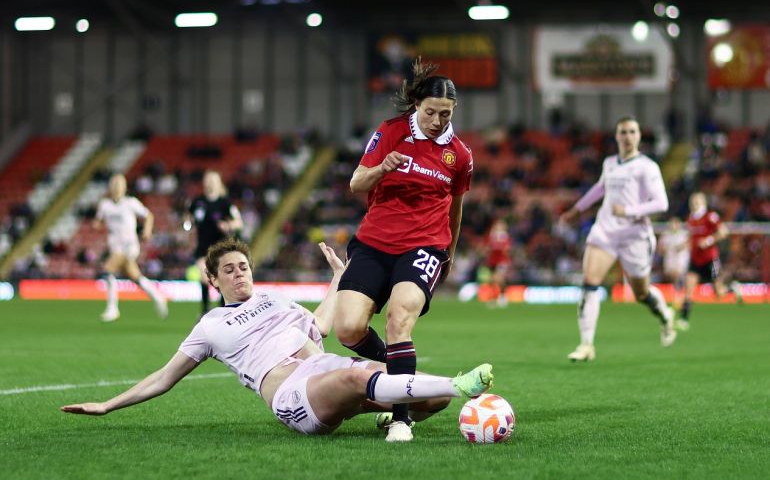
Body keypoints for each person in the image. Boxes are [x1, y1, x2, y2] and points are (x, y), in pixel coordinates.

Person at [61, 238, 494, 438]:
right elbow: (164, 377)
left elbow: (321, 326)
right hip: (293, 392)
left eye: (243, 266)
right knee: (364, 380)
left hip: (325, 366)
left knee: (427, 402)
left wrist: (339, 279)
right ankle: (460, 386)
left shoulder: (275, 300)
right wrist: (108, 404)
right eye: (228, 270)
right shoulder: (210, 325)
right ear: (213, 280)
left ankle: (383, 411)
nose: (238, 274)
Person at [333, 58, 473, 442]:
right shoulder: (391, 132)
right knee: (347, 328)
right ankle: (399, 370)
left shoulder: (459, 155)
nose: (438, 121)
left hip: (425, 244)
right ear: (417, 106)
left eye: (446, 114)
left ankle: (400, 417)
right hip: (374, 242)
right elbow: (356, 182)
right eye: (431, 112)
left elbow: (456, 210)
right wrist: (383, 168)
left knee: (399, 320)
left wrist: (450, 253)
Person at [559, 116, 677, 362]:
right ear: (616, 136)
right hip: (606, 230)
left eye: (632, 131)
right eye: (623, 132)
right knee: (590, 282)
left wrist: (629, 211)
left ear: (639, 136)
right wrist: (577, 209)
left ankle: (665, 315)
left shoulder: (647, 166)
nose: (627, 136)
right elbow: (600, 188)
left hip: (635, 235)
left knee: (641, 293)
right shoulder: (610, 163)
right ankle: (586, 344)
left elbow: (661, 203)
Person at [94, 173, 167, 322]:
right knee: (135, 277)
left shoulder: (130, 203)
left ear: (125, 187)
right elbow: (98, 221)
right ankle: (158, 297)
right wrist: (97, 225)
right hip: (115, 246)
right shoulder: (104, 205)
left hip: (129, 246)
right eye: (114, 184)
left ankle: (112, 308)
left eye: (119, 184)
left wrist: (147, 230)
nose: (116, 187)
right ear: (110, 187)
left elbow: (148, 215)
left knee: (108, 270)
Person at [678, 192, 742, 330]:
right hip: (695, 260)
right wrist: (683, 245)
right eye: (692, 200)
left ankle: (732, 288)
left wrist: (708, 241)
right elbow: (691, 237)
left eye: (697, 200)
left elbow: (723, 232)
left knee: (718, 292)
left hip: (711, 259)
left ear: (703, 202)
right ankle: (683, 320)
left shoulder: (710, 217)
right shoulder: (691, 219)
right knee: (688, 289)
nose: (694, 203)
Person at [185, 170, 243, 315]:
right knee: (205, 278)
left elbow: (238, 223)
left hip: (221, 250)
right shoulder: (197, 202)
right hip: (203, 248)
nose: (210, 182)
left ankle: (222, 312)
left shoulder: (225, 203)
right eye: (208, 179)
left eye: (214, 180)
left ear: (219, 183)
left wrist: (228, 226)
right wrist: (188, 225)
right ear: (204, 182)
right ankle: (205, 311)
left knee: (221, 281)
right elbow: (188, 219)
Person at [658, 217, 690, 308]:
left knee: (678, 277)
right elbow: (660, 249)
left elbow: (687, 244)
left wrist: (680, 247)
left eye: (675, 223)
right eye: (671, 223)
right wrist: (663, 249)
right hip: (669, 260)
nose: (672, 226)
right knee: (672, 278)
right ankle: (678, 296)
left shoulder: (683, 234)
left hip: (680, 260)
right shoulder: (665, 235)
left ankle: (680, 298)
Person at [482, 218, 512, 307]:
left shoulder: (505, 236)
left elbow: (507, 250)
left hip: (502, 261)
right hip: (492, 261)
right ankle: (494, 298)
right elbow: (486, 248)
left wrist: (498, 247)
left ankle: (502, 297)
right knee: (492, 280)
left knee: (498, 279)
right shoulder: (491, 236)